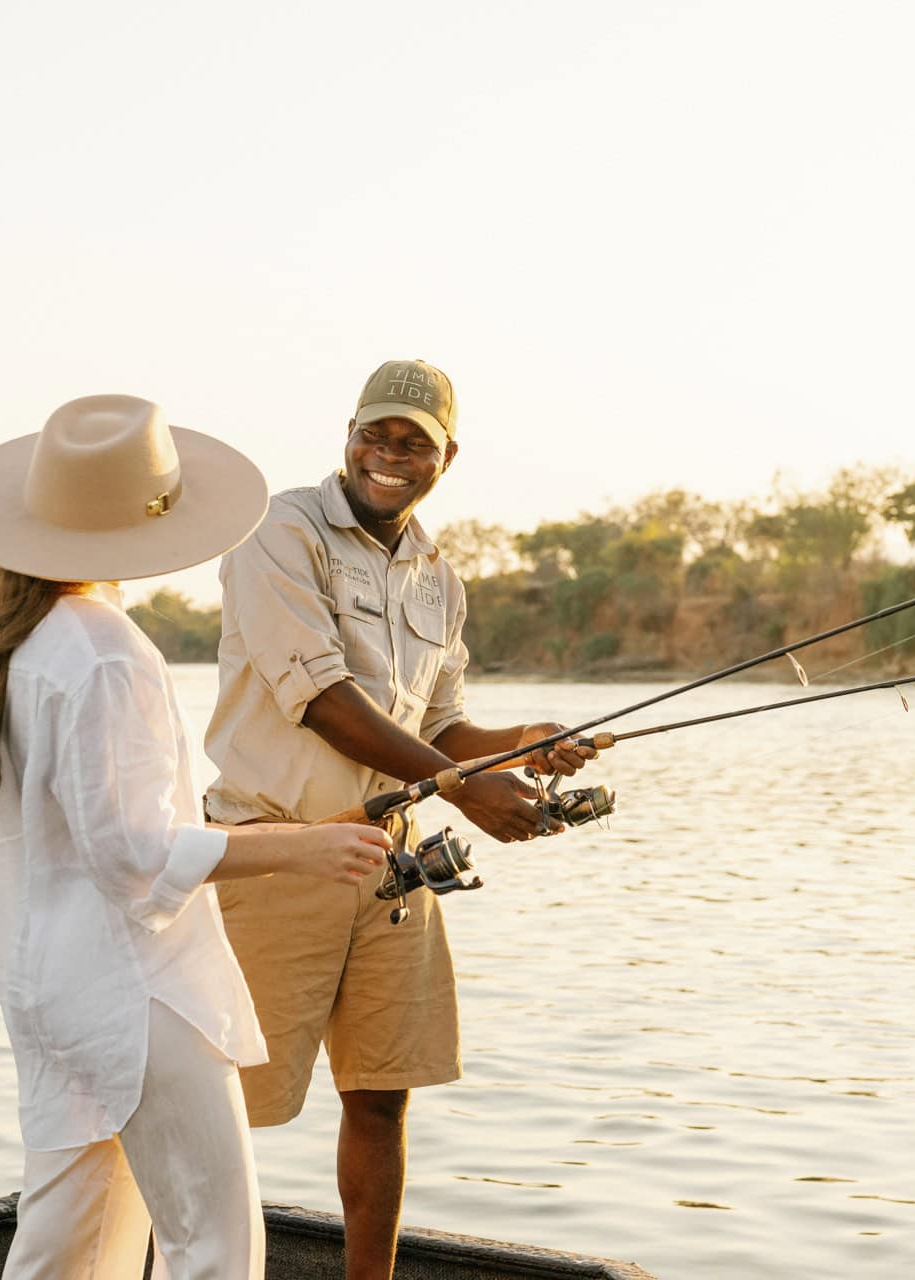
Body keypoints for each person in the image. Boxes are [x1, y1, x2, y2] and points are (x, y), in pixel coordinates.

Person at [0, 394, 393, 1280]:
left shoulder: (23, 644)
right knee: (214, 1248)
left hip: (54, 992)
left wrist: (291, 832)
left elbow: (92, 839)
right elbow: (131, 853)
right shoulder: (105, 649)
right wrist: (300, 848)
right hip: (133, 997)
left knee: (71, 1241)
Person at [203, 359, 597, 1279]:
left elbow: (442, 723)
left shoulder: (439, 577)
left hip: (394, 861)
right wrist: (464, 783)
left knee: (381, 1098)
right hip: (275, 849)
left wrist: (523, 744)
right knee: (224, 1103)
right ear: (347, 433)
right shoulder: (279, 529)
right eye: (373, 434)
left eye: (411, 442)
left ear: (445, 456)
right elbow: (321, 698)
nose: (387, 454)